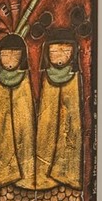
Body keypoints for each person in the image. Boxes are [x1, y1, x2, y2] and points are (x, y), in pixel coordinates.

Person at [34, 27, 84, 189]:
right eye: (54, 52)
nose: (60, 56)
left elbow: (73, 119)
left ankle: (67, 174)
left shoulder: (74, 77)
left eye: (66, 51)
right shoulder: (47, 77)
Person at [0, 34, 36, 191]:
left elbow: (26, 115)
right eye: (5, 55)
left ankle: (25, 177)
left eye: (15, 55)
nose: (9, 60)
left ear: (22, 57)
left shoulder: (24, 79)